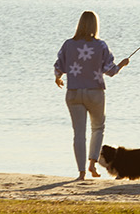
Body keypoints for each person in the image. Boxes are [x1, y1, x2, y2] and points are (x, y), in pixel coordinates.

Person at [53, 11, 130, 178]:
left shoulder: (68, 44)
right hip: (95, 92)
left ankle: (81, 172)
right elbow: (110, 71)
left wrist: (58, 78)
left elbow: (59, 66)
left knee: (78, 133)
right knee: (98, 128)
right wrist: (122, 64)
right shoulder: (100, 45)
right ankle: (92, 165)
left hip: (73, 92)